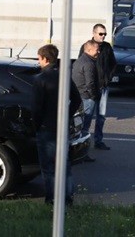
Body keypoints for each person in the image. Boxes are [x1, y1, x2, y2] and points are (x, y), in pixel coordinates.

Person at [32, 44, 82, 205]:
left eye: (39, 59)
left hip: (46, 128)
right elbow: (76, 99)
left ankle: (51, 199)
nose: (39, 62)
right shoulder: (64, 77)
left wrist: (36, 125)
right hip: (62, 126)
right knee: (64, 165)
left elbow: (37, 107)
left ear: (45, 59)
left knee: (48, 167)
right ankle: (67, 198)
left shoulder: (40, 80)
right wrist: (66, 114)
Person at [78, 24, 117, 151]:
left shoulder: (106, 47)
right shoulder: (87, 47)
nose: (103, 36)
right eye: (101, 34)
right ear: (94, 33)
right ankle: (82, 142)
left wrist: (108, 78)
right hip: (90, 89)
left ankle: (98, 140)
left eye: (105, 34)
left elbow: (113, 64)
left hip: (103, 88)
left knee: (101, 116)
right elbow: (81, 66)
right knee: (87, 116)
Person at [72, 40, 100, 162]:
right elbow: (90, 83)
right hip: (87, 98)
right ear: (89, 50)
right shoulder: (89, 64)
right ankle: (82, 154)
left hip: (79, 96)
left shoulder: (79, 61)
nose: (98, 51)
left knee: (79, 125)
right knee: (84, 127)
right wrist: (94, 96)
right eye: (96, 49)